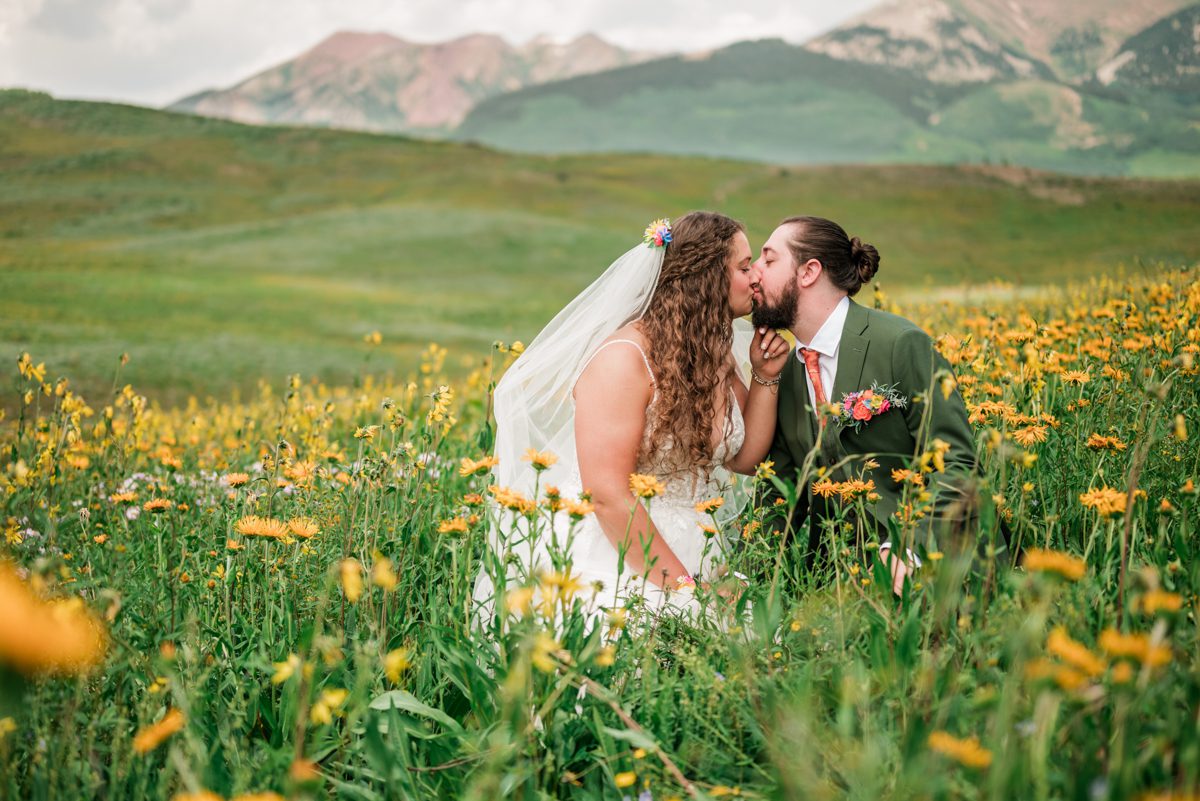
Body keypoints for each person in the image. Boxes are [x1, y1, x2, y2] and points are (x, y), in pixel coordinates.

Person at [475, 212, 789, 622]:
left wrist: (766, 377)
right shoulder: (624, 358)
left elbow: (744, 458)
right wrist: (686, 592)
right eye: (744, 267)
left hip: (696, 551)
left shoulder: (714, 356)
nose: (755, 279)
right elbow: (607, 495)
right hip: (617, 554)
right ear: (706, 276)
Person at [750, 216, 983, 593]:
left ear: (809, 272)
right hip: (837, 586)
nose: (753, 273)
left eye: (768, 259)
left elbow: (960, 464)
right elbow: (779, 489)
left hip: (935, 567)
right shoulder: (790, 373)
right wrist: (744, 577)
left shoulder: (899, 344)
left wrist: (908, 547)